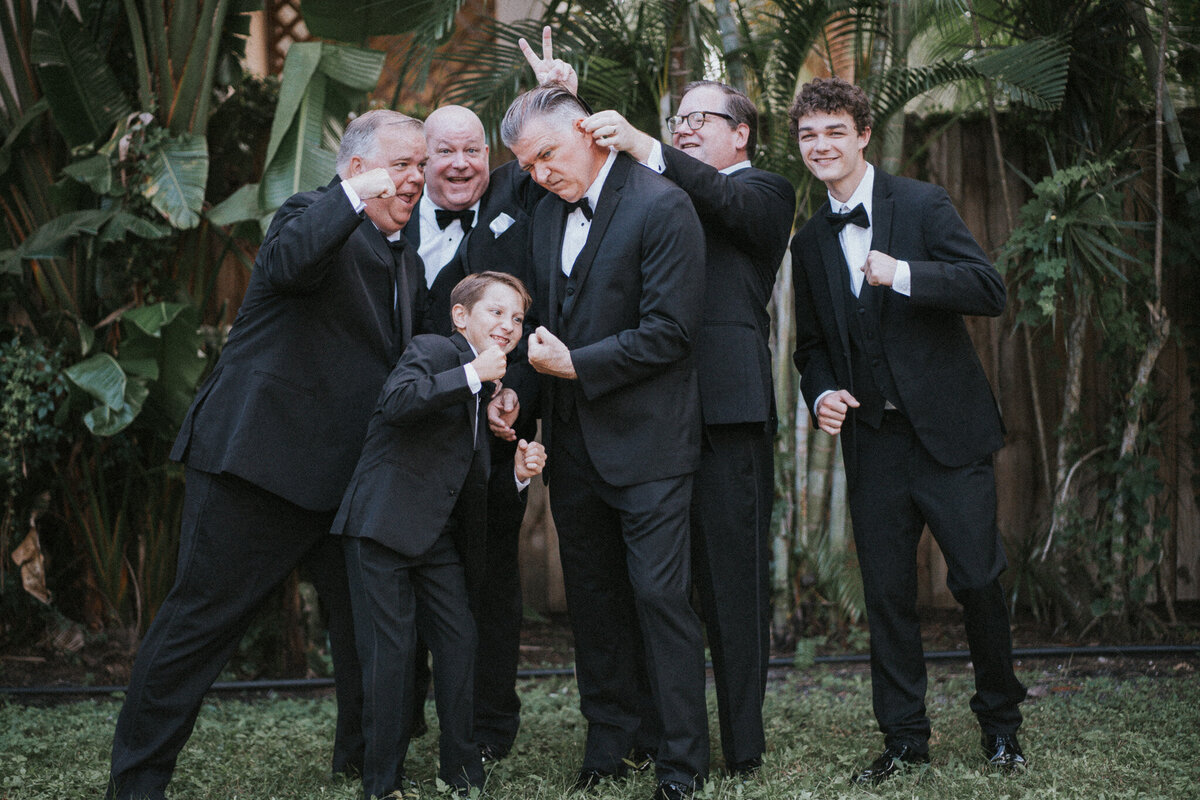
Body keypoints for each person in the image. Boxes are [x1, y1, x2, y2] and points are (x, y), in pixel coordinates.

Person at [105, 109, 429, 800]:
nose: (417, 179)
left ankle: (365, 766)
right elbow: (292, 262)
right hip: (257, 469)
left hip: (341, 486)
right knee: (198, 625)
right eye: (403, 165)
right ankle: (135, 783)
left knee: (371, 631)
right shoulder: (307, 215)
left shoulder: (403, 256)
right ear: (356, 170)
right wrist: (348, 195)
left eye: (421, 167)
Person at [787, 76, 1028, 784]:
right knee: (888, 597)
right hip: (875, 444)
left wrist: (904, 273)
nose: (821, 145)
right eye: (808, 135)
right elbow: (811, 348)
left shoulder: (920, 205)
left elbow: (988, 289)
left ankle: (1002, 730)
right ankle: (903, 741)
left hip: (949, 439)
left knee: (979, 582)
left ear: (863, 134)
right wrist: (824, 390)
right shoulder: (808, 242)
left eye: (834, 131)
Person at [501, 84, 709, 800]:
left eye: (546, 156)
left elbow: (672, 333)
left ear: (590, 133)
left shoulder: (663, 204)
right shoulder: (542, 215)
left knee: (659, 598)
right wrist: (519, 400)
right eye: (527, 165)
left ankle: (682, 761)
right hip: (574, 445)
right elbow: (538, 334)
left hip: (651, 446)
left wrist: (579, 364)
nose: (538, 174)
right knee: (592, 601)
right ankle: (611, 741)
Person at [581, 81, 795, 778]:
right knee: (653, 587)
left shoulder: (764, 191)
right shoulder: (646, 190)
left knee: (732, 585)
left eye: (702, 118)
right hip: (646, 412)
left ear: (742, 134)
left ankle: (742, 745)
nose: (686, 127)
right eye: (680, 119)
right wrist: (572, 102)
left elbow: (724, 203)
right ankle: (656, 732)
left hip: (725, 413)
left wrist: (648, 141)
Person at [332, 271, 547, 800]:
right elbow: (398, 402)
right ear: (460, 317)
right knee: (391, 655)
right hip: (381, 528)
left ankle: (463, 773)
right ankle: (381, 784)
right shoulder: (432, 350)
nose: (508, 325)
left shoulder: (488, 394)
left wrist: (519, 473)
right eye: (495, 312)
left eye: (517, 318)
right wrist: (473, 376)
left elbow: (467, 484)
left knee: (460, 643)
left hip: (436, 542)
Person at [401, 103, 546, 759]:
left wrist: (510, 397)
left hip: (495, 432)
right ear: (419, 160)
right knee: (403, 579)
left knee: (492, 584)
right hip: (410, 433)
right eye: (444, 152)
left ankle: (490, 727)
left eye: (472, 151)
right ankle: (400, 720)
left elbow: (540, 329)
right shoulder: (391, 223)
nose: (460, 164)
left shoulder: (517, 207)